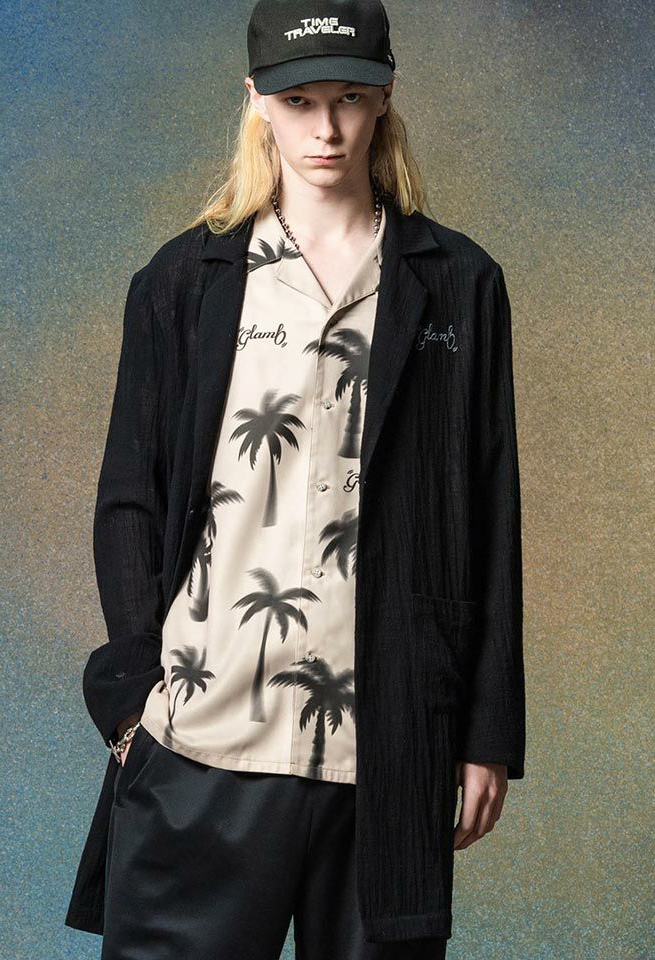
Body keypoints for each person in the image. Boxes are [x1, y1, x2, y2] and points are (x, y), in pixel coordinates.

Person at [65, 0, 526, 956]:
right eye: (299, 100)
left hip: (389, 751)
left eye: (350, 98)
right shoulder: (183, 281)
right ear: (257, 101)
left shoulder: (460, 284)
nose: (326, 129)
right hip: (205, 738)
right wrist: (135, 703)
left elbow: (489, 511)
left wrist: (486, 732)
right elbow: (130, 500)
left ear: (386, 98)